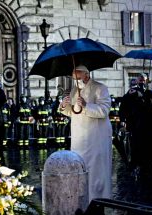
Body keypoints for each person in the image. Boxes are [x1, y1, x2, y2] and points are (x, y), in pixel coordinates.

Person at [59, 64, 112, 202]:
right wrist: (64, 106)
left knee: (95, 171)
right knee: (78, 167)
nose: (74, 77)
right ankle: (80, 198)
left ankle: (97, 200)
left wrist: (86, 105)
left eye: (76, 74)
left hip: (95, 138)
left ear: (86, 74)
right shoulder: (75, 90)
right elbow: (72, 112)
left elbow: (104, 110)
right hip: (78, 138)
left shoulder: (100, 88)